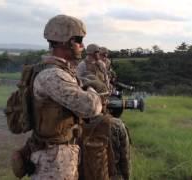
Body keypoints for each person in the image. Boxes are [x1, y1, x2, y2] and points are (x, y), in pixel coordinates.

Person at [17, 14, 103, 180]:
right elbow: (91, 107)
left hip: (58, 154)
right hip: (53, 161)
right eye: (79, 40)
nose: (82, 46)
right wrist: (93, 90)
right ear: (66, 42)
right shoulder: (52, 75)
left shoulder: (60, 71)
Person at [77, 45, 131, 180]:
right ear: (90, 53)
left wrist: (106, 93)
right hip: (91, 95)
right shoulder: (82, 66)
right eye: (99, 52)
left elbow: (107, 79)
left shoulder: (101, 64)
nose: (102, 55)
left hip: (100, 95)